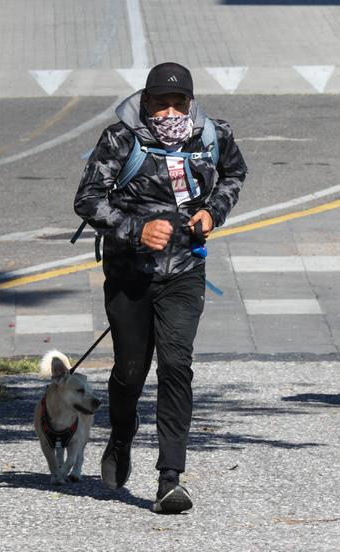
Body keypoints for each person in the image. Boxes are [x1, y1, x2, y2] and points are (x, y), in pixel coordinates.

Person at [74, 62, 247, 513]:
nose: (169, 111)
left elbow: (234, 175)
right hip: (130, 274)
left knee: (176, 365)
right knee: (131, 372)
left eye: (178, 102)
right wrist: (135, 229)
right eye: (159, 102)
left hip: (184, 271)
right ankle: (121, 436)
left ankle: (170, 478)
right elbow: (88, 199)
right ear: (145, 101)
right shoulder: (121, 138)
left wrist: (213, 212)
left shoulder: (212, 135)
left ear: (191, 102)